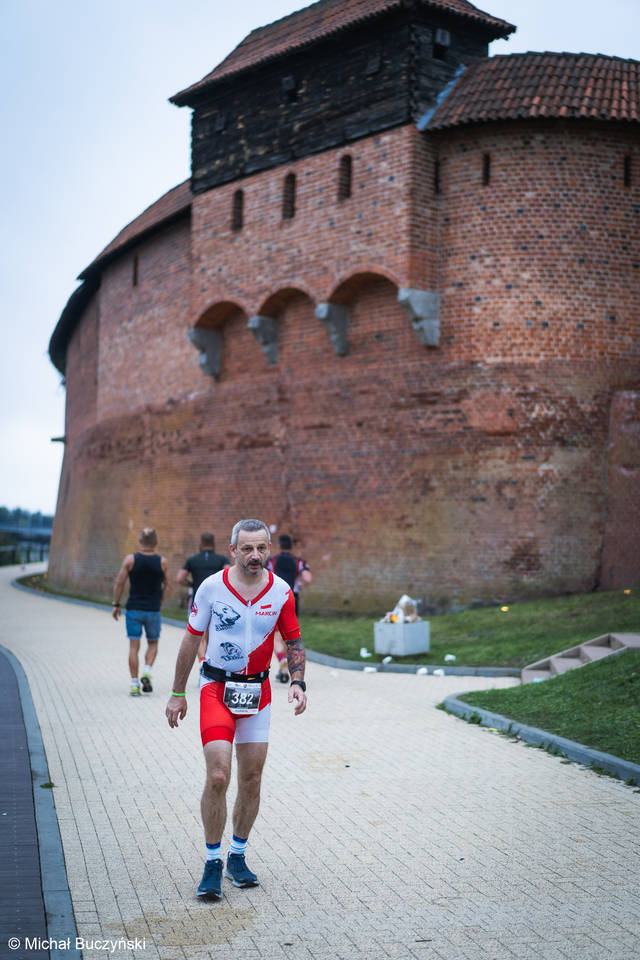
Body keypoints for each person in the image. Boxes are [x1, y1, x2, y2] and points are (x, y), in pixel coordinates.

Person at [165, 518, 307, 901]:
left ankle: (238, 855)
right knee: (218, 775)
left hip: (258, 691)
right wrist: (178, 692)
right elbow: (190, 639)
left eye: (262, 548)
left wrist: (297, 682)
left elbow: (293, 640)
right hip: (216, 687)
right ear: (233, 551)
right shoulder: (211, 588)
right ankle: (212, 862)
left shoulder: (280, 592)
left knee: (252, 779)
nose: (255, 555)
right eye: (247, 548)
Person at [112, 527, 168, 696]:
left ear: (140, 541)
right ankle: (147, 672)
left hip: (134, 609)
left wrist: (116, 604)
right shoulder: (162, 562)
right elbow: (167, 585)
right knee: (153, 643)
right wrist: (160, 601)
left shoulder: (131, 560)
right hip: (153, 610)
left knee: (133, 647)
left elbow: (120, 582)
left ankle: (135, 685)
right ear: (156, 542)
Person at [177, 532, 229, 661]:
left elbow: (179, 578)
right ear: (214, 544)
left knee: (199, 634)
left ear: (201, 543)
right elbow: (229, 576)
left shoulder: (192, 560)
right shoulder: (222, 560)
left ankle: (202, 662)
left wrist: (191, 584)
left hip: (198, 601)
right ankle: (211, 660)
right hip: (218, 602)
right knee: (213, 634)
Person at [267, 534, 312, 682]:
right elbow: (307, 578)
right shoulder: (298, 561)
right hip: (292, 600)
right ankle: (287, 669)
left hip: (275, 600)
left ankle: (282, 662)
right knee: (290, 636)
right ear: (291, 545)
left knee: (276, 636)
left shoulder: (272, 561)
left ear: (279, 545)